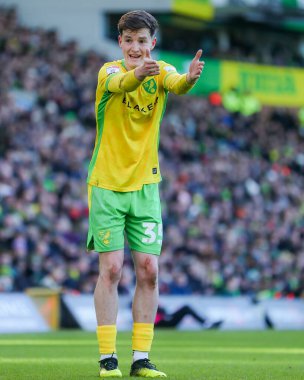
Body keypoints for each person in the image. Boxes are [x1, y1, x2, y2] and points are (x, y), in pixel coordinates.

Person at [86, 10, 204, 378]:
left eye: (142, 41)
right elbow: (123, 84)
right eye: (129, 40)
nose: (136, 47)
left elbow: (177, 84)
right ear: (120, 42)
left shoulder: (162, 70)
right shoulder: (108, 72)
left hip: (146, 187)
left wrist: (189, 78)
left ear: (152, 43)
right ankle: (108, 358)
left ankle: (141, 358)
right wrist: (137, 74)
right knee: (112, 269)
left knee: (149, 270)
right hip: (106, 185)